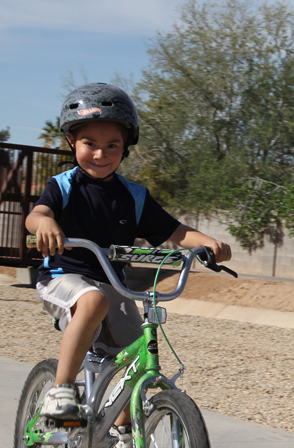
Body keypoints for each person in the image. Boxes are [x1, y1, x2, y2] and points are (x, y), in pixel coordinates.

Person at [26, 82, 232, 447]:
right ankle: (61, 393)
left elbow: (174, 231)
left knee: (136, 354)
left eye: (112, 146)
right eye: (90, 143)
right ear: (72, 142)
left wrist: (207, 243)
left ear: (125, 147)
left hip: (114, 285)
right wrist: (44, 223)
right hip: (64, 277)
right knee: (92, 302)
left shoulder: (134, 196)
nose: (101, 154)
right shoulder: (64, 186)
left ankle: (121, 431)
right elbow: (38, 213)